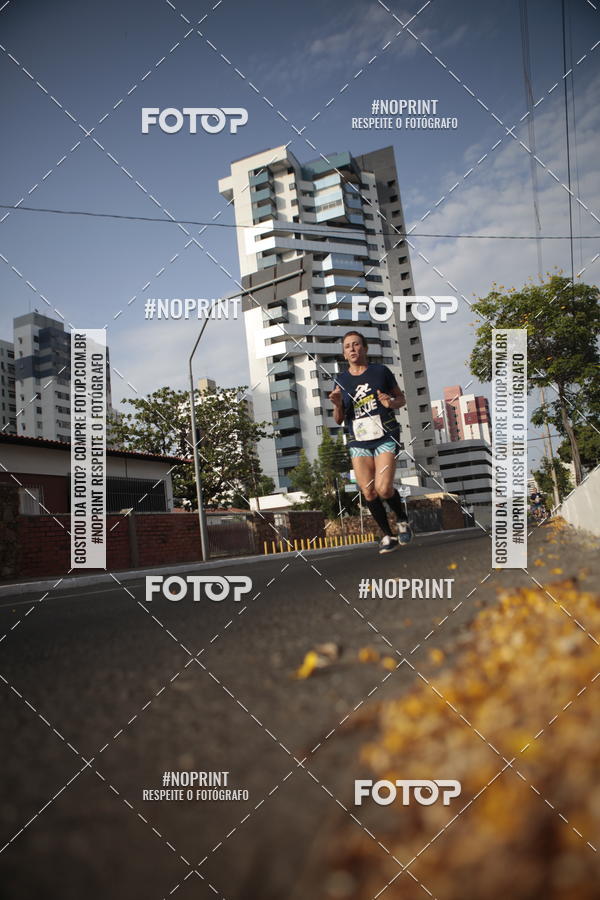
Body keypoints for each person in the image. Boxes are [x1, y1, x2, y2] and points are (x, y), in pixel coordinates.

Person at [329, 330, 412, 554]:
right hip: (358, 440)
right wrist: (337, 404)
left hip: (385, 435)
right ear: (344, 354)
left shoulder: (380, 372)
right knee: (368, 492)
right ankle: (388, 535)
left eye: (356, 345)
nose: (352, 349)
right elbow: (338, 419)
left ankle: (403, 519)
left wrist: (390, 403)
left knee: (384, 489)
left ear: (365, 348)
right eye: (348, 346)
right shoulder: (341, 380)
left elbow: (401, 398)